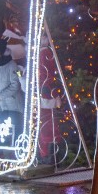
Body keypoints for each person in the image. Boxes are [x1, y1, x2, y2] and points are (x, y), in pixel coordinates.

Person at [0, 38, 24, 140]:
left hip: (13, 107)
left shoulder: (12, 65)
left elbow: (15, 85)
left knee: (14, 136)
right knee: (2, 137)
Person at [37, 33, 62, 165]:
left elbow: (46, 73)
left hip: (44, 91)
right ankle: (47, 154)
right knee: (47, 123)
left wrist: (45, 87)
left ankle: (48, 155)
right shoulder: (43, 53)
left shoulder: (44, 53)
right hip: (44, 91)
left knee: (47, 123)